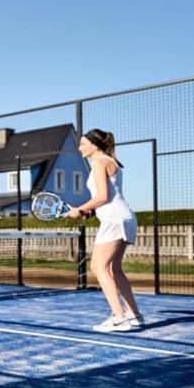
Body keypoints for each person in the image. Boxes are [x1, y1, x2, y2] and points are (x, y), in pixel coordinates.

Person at [67, 129, 142, 332]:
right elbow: (107, 198)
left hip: (115, 219)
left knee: (98, 267)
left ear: (95, 145)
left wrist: (79, 209)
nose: (80, 148)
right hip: (123, 217)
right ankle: (133, 315)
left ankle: (119, 317)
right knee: (113, 269)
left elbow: (102, 196)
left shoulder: (100, 162)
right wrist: (89, 210)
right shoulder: (109, 161)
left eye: (83, 144)